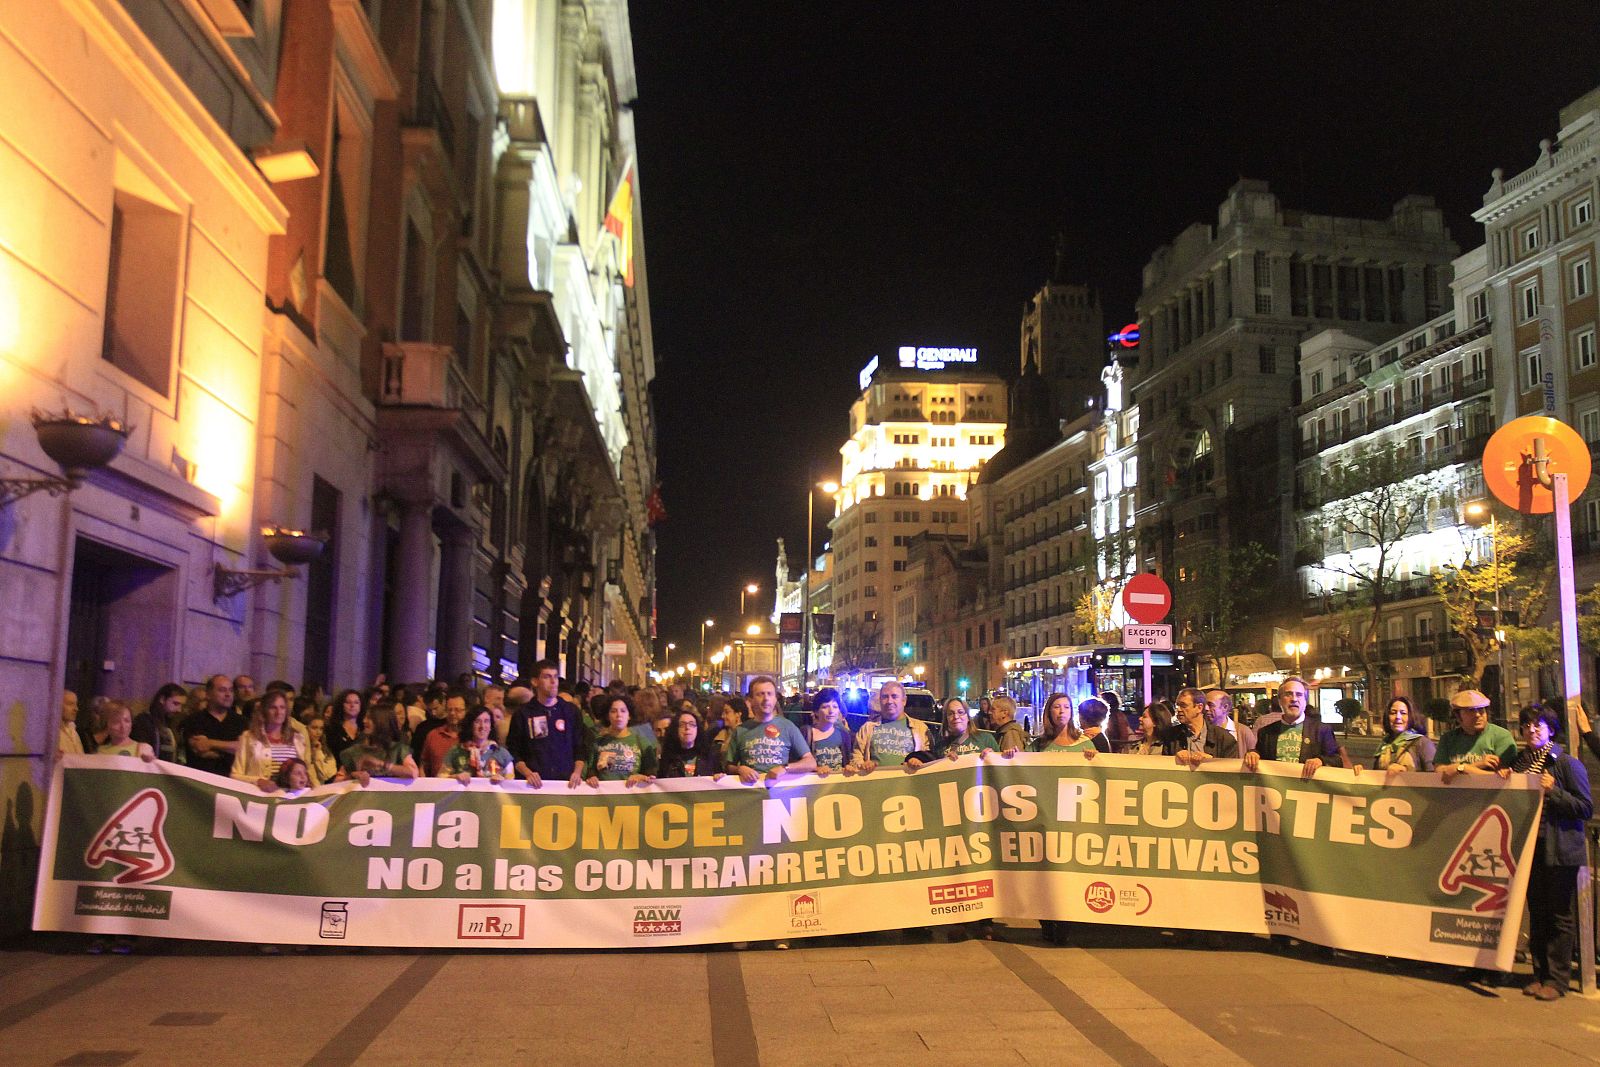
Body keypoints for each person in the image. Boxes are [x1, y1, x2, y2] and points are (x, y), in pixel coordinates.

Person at [1502, 704, 1593, 1000]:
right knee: (1537, 913)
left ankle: (1557, 980)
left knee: (1559, 916)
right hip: (1530, 850)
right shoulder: (1521, 762)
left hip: (1560, 850)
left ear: (1550, 730)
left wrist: (1554, 791)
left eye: (1538, 726)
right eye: (1527, 726)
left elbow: (1585, 808)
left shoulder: (1566, 764)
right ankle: (1539, 975)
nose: (1531, 731)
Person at [507, 660, 588, 788]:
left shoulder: (570, 711)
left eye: (555, 676)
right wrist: (528, 773)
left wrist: (577, 773)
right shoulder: (523, 713)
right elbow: (514, 751)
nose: (553, 681)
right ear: (535, 681)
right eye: (547, 677)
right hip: (533, 785)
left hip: (565, 783)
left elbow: (580, 748)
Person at [1243, 677, 1339, 778]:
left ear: (1305, 701)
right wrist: (1252, 754)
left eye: (1299, 694)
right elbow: (1260, 756)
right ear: (1280, 701)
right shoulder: (1266, 732)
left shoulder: (1322, 730)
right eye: (1288, 694)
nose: (1294, 699)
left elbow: (1337, 760)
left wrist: (1321, 760)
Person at [727, 677, 816, 783]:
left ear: (775, 699)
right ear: (750, 700)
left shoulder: (788, 727)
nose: (766, 698)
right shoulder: (741, 730)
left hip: (779, 794)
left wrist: (785, 768)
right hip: (750, 794)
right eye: (760, 694)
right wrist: (740, 769)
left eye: (770, 694)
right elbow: (729, 766)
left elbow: (810, 762)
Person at [231, 690, 313, 790]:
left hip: (291, 800)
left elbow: (306, 771)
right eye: (273, 708)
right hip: (261, 799)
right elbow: (235, 776)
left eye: (282, 707)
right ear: (264, 711)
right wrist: (258, 781)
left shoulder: (297, 738)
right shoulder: (249, 738)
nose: (279, 712)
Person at [1435, 689, 1518, 781]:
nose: (1478, 715)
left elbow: (1502, 777)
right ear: (1458, 715)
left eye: (1481, 709)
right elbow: (1440, 772)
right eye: (1471, 710)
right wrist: (1469, 766)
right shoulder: (1447, 738)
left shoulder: (1501, 736)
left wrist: (1459, 769)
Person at [850, 681, 929, 772]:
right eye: (885, 697)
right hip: (875, 784)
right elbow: (856, 756)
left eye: (894, 696)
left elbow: (928, 758)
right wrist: (862, 765)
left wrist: (919, 760)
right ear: (880, 700)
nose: (889, 701)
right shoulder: (867, 728)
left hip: (908, 783)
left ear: (904, 701)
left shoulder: (920, 728)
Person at [181, 674, 246, 777]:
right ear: (208, 694)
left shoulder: (242, 722)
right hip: (200, 781)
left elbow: (245, 748)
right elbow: (200, 748)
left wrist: (210, 743)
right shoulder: (194, 720)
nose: (228, 694)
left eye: (230, 690)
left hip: (231, 781)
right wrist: (230, 750)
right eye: (222, 690)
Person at [335, 703, 418, 784]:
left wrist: (379, 764)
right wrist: (353, 776)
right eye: (365, 717)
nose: (364, 721)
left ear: (382, 721)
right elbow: (337, 782)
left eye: (369, 718)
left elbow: (413, 773)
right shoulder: (353, 752)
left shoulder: (398, 749)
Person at [587, 696, 657, 786]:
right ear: (608, 716)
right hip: (605, 796)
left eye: (623, 711)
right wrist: (592, 777)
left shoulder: (642, 741)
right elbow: (590, 770)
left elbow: (652, 774)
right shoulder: (598, 741)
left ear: (629, 715)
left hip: (633, 796)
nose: (619, 715)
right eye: (613, 711)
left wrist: (640, 777)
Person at [1165, 687, 1239, 766]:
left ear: (1199, 708)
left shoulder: (1224, 738)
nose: (1178, 709)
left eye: (1183, 705)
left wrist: (1211, 762)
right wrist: (1174, 759)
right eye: (1177, 706)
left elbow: (1231, 771)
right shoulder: (1171, 737)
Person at [440, 706, 516, 783]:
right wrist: (455, 777)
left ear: (491, 726)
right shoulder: (456, 752)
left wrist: (502, 780)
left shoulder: (501, 753)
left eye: (486, 721)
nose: (482, 726)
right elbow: (441, 778)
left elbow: (511, 782)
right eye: (477, 721)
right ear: (470, 725)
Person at [1369, 696, 1435, 774]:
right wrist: (1361, 774)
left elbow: (1434, 778)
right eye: (1393, 713)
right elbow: (1375, 776)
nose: (1398, 717)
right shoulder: (1385, 744)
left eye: (1403, 713)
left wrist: (1406, 772)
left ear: (1411, 716)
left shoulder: (1422, 743)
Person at [924, 698, 998, 760]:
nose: (956, 717)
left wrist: (993, 757)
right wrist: (943, 763)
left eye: (960, 712)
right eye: (951, 713)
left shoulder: (986, 739)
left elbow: (1002, 769)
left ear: (968, 717)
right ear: (946, 719)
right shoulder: (939, 747)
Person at [657, 708, 720, 778]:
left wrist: (719, 777)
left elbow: (721, 777)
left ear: (697, 729)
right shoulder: (667, 758)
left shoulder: (709, 756)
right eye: (682, 725)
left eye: (692, 724)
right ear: (675, 730)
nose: (687, 727)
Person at [805, 687, 853, 775]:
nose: (831, 711)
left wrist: (849, 767)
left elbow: (848, 761)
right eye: (825, 707)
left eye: (835, 707)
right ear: (816, 711)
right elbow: (798, 763)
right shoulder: (806, 734)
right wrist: (815, 769)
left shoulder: (844, 734)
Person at [419, 692, 469, 777]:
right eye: (449, 710)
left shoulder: (471, 737)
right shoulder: (433, 735)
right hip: (438, 788)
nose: (452, 713)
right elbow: (424, 765)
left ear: (466, 711)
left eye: (457, 710)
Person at [130, 684, 183, 763]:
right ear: (162, 699)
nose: (179, 710)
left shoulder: (173, 724)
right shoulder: (144, 721)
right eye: (175, 703)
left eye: (182, 705)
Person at [1030, 693, 1097, 754]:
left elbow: (1095, 764)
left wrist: (1093, 756)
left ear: (1071, 712)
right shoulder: (1038, 744)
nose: (1062, 711)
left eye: (1066, 707)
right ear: (1049, 712)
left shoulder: (1084, 743)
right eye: (1057, 707)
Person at [90, 701, 155, 761]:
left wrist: (151, 762)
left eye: (127, 721)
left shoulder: (144, 749)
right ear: (106, 725)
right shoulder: (101, 752)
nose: (123, 726)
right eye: (116, 722)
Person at [1203, 689, 1255, 755]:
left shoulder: (1243, 732)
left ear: (1225, 707)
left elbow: (1254, 754)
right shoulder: (1201, 731)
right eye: (1204, 704)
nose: (1206, 708)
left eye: (1210, 705)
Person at [326, 689, 366, 761]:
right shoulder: (332, 728)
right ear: (341, 705)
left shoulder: (364, 728)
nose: (352, 705)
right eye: (348, 702)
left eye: (356, 702)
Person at [305, 716, 338, 784]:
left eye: (321, 729)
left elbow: (327, 775)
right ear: (306, 728)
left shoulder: (324, 750)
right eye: (314, 728)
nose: (318, 732)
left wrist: (317, 752)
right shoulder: (301, 748)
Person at [58, 689, 84, 758]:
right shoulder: (51, 733)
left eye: (76, 704)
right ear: (57, 705)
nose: (76, 709)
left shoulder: (73, 731)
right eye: (70, 704)